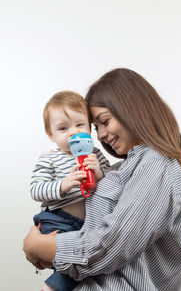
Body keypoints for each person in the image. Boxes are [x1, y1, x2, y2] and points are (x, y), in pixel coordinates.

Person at [24, 68, 181, 291]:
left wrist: (44, 246)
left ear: (132, 110)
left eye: (105, 121)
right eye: (96, 127)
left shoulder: (157, 165)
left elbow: (113, 246)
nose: (100, 135)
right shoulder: (126, 168)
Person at [30, 91, 110, 291]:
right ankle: (52, 288)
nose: (73, 132)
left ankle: (57, 285)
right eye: (63, 128)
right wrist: (63, 185)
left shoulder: (95, 154)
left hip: (88, 224)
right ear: (51, 134)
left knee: (88, 264)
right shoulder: (49, 159)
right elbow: (36, 190)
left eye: (80, 125)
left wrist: (99, 173)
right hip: (58, 219)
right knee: (75, 260)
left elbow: (113, 183)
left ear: (90, 128)